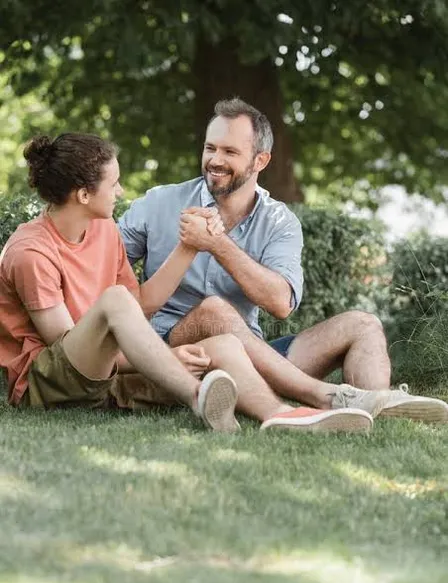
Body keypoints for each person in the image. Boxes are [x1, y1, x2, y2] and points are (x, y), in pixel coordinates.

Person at [0, 132, 376, 435]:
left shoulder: (103, 233)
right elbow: (66, 351)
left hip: (102, 377)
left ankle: (282, 415)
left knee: (226, 343)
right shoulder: (30, 252)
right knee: (116, 301)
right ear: (83, 195)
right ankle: (198, 397)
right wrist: (166, 360)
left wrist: (189, 246)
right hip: (47, 381)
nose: (120, 191)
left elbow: (141, 303)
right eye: (113, 184)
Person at [118, 98, 448, 424]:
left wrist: (218, 245)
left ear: (260, 160)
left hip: (251, 354)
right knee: (213, 311)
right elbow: (105, 264)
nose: (214, 160)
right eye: (210, 148)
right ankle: (326, 396)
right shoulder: (158, 203)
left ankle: (377, 406)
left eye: (230, 152)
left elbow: (280, 303)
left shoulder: (279, 221)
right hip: (173, 352)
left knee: (364, 324)